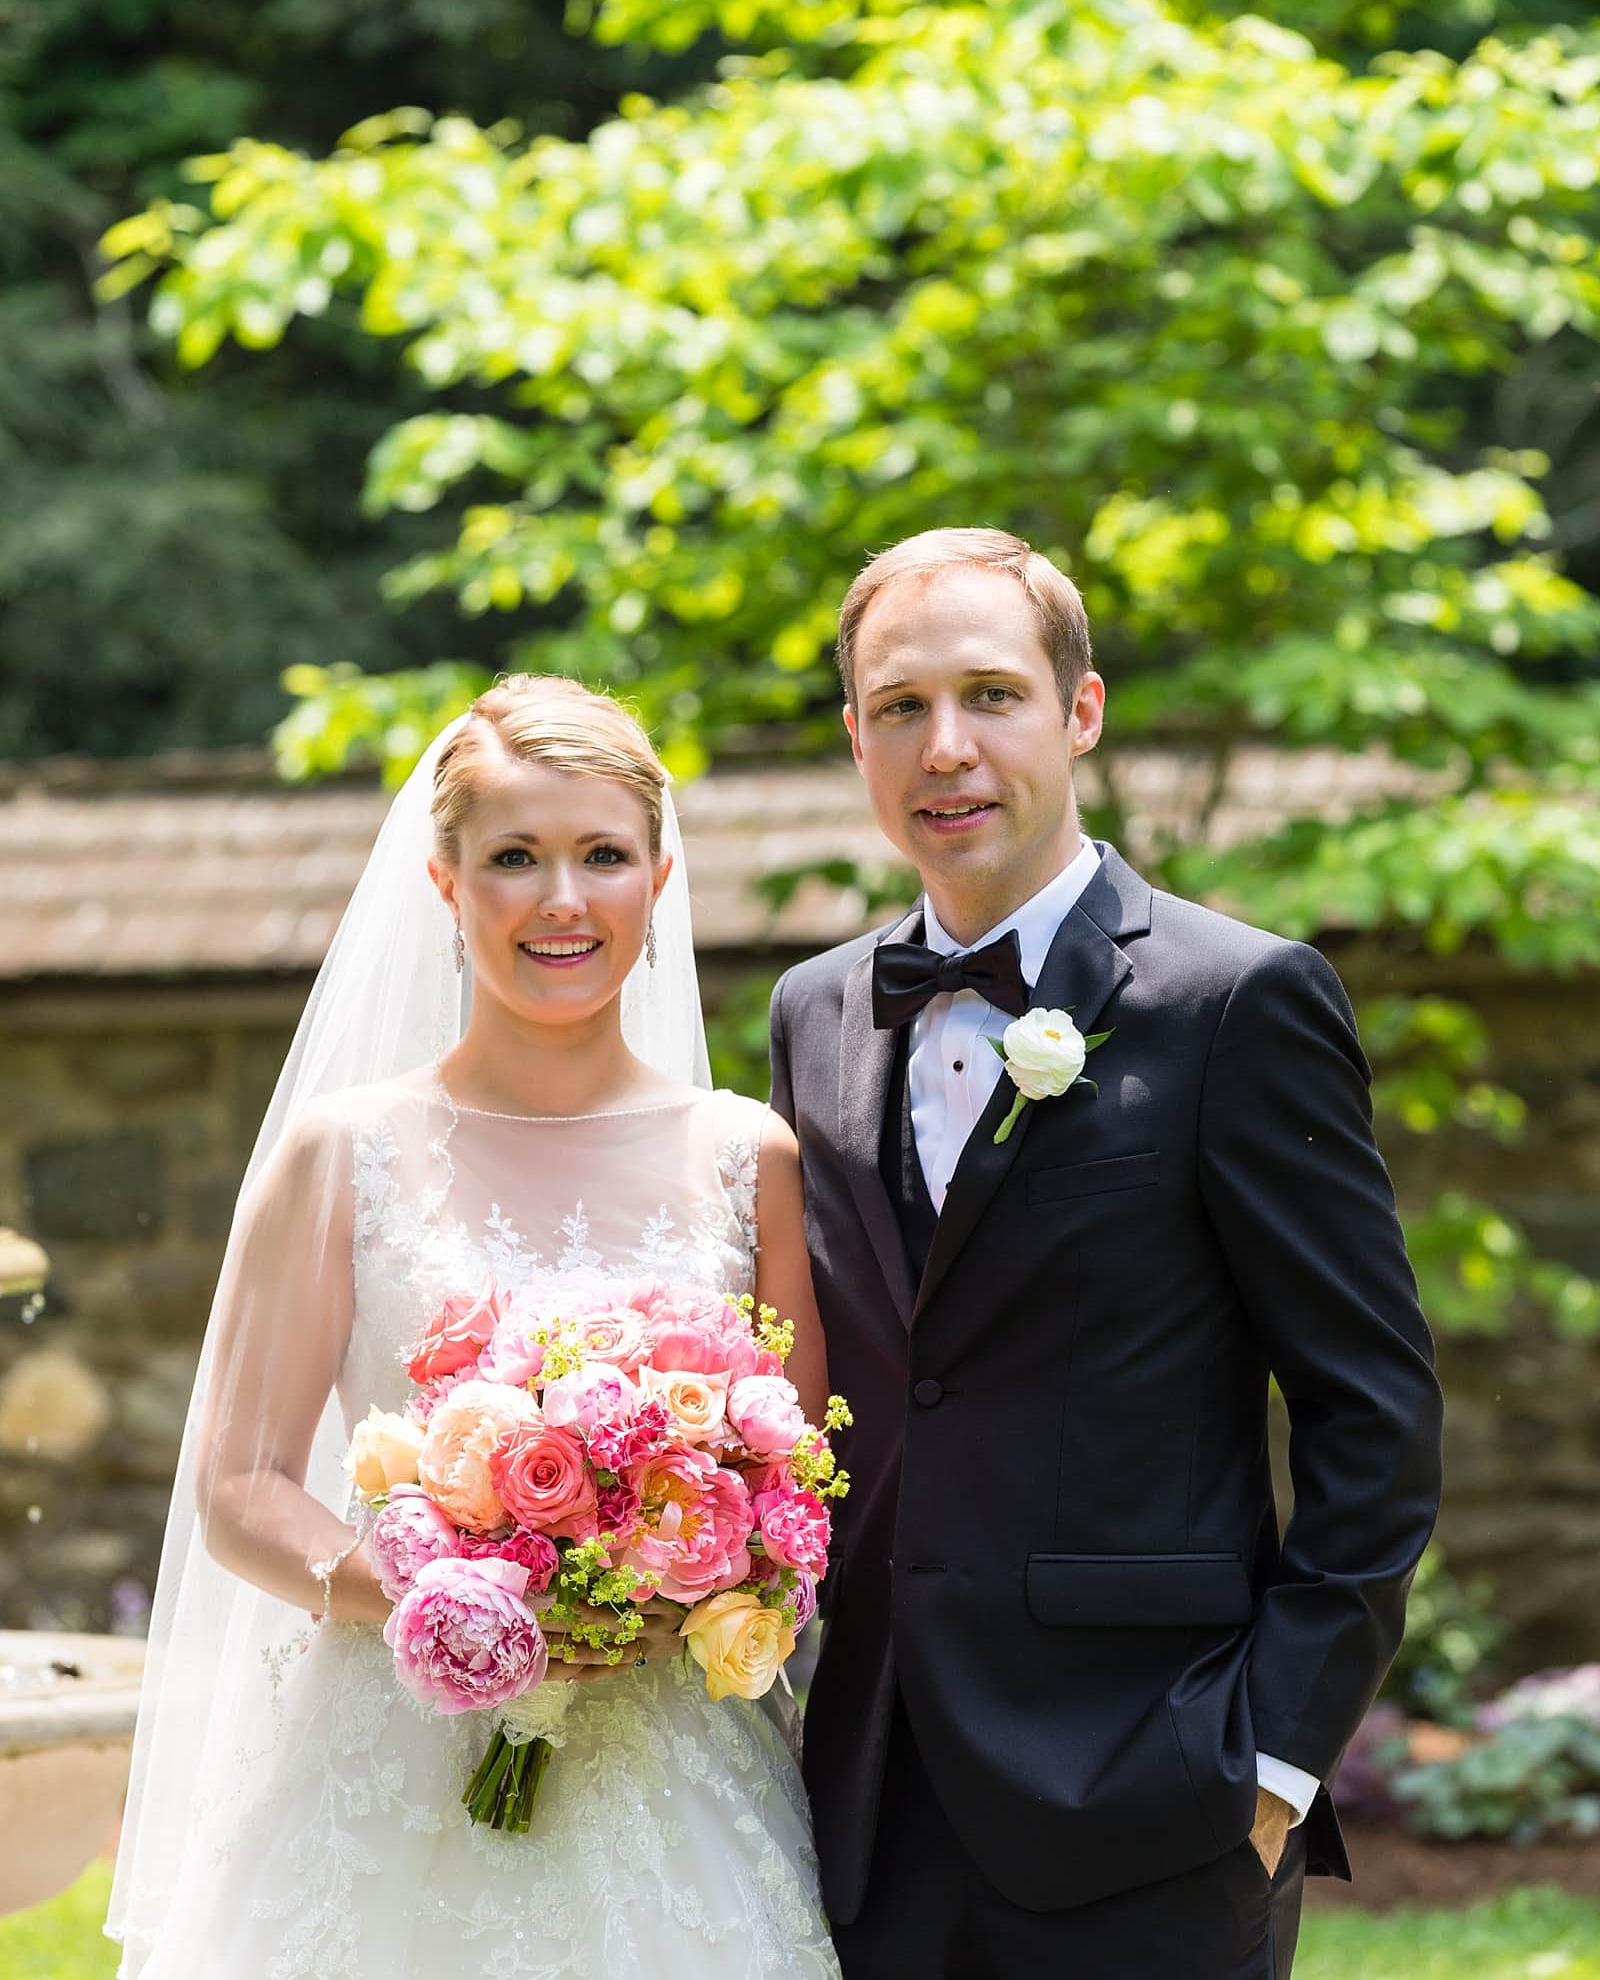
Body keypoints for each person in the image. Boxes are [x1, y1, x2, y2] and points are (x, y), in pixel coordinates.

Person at [770, 527, 1444, 1980]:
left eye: (991, 695)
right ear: (855, 739)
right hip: (872, 1795)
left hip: (1158, 1793)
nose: (944, 746)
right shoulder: (814, 1015)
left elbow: (1372, 1415)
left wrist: (1269, 1764)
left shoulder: (1239, 1001)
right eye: (900, 707)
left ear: (1078, 713)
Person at [109, 675, 840, 1980]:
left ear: (658, 880)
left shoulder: (750, 1159)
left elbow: (800, 1498)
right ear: (445, 884)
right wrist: (449, 1597)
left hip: (671, 1773)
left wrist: (695, 1588)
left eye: (602, 855)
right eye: (515, 857)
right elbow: (240, 1488)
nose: (562, 900)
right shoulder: (344, 1155)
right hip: (393, 1754)